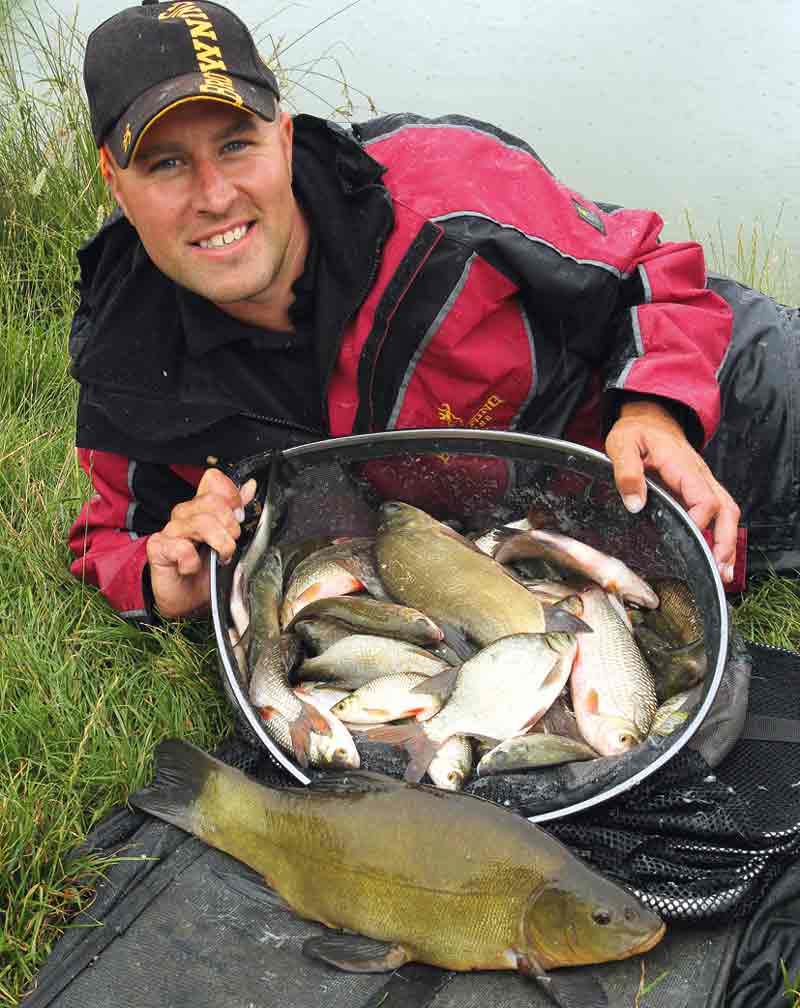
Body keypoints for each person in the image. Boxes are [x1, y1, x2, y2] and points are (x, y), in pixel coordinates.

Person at [71, 0, 796, 623]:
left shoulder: (442, 194)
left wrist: (652, 411)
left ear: (286, 139)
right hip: (586, 553)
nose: (216, 194)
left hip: (747, 402)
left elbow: (652, 270)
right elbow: (113, 535)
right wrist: (163, 580)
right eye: (166, 162)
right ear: (114, 180)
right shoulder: (131, 359)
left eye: (237, 145)